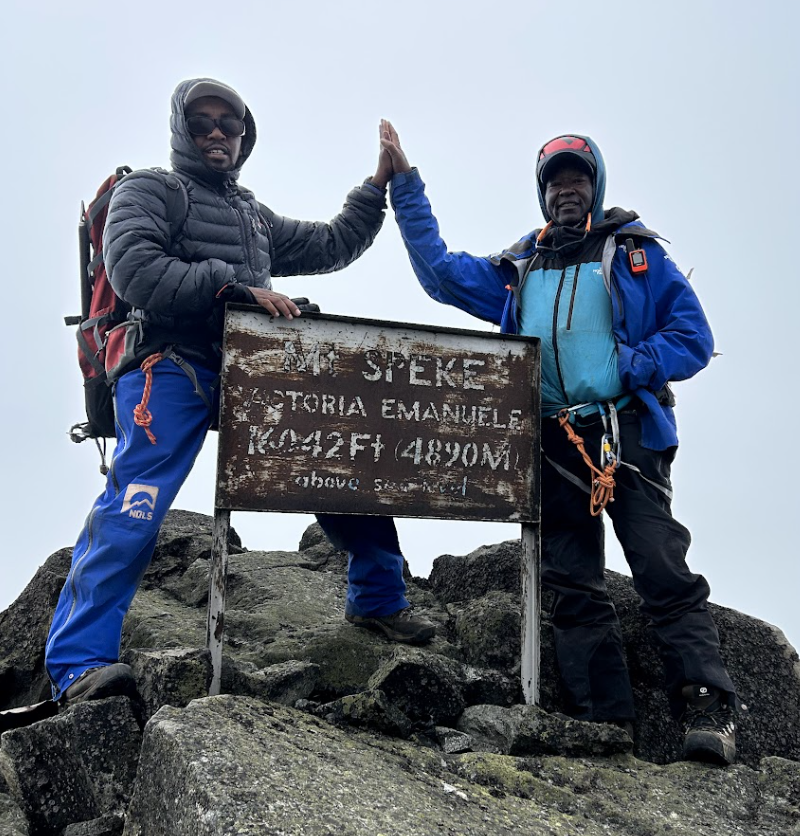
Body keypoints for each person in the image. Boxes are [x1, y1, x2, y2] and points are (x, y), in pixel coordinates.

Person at [45, 80, 436, 708]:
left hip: (250, 372)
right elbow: (135, 270)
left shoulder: (251, 214)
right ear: (181, 131)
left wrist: (376, 186)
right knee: (136, 505)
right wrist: (234, 288)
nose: (217, 133)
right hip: (167, 368)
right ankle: (78, 666)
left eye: (229, 123)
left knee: (343, 464)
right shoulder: (150, 190)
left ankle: (379, 601)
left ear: (244, 133)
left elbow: (333, 242)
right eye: (202, 123)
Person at [379, 123, 737, 765]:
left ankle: (709, 714)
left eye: (577, 177)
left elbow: (694, 336)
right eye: (555, 180)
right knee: (571, 584)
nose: (566, 189)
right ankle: (605, 728)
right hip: (553, 439)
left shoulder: (636, 255)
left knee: (661, 567)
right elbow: (438, 273)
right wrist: (404, 183)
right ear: (542, 194)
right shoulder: (522, 269)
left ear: (595, 186)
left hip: (626, 434)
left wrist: (631, 365)